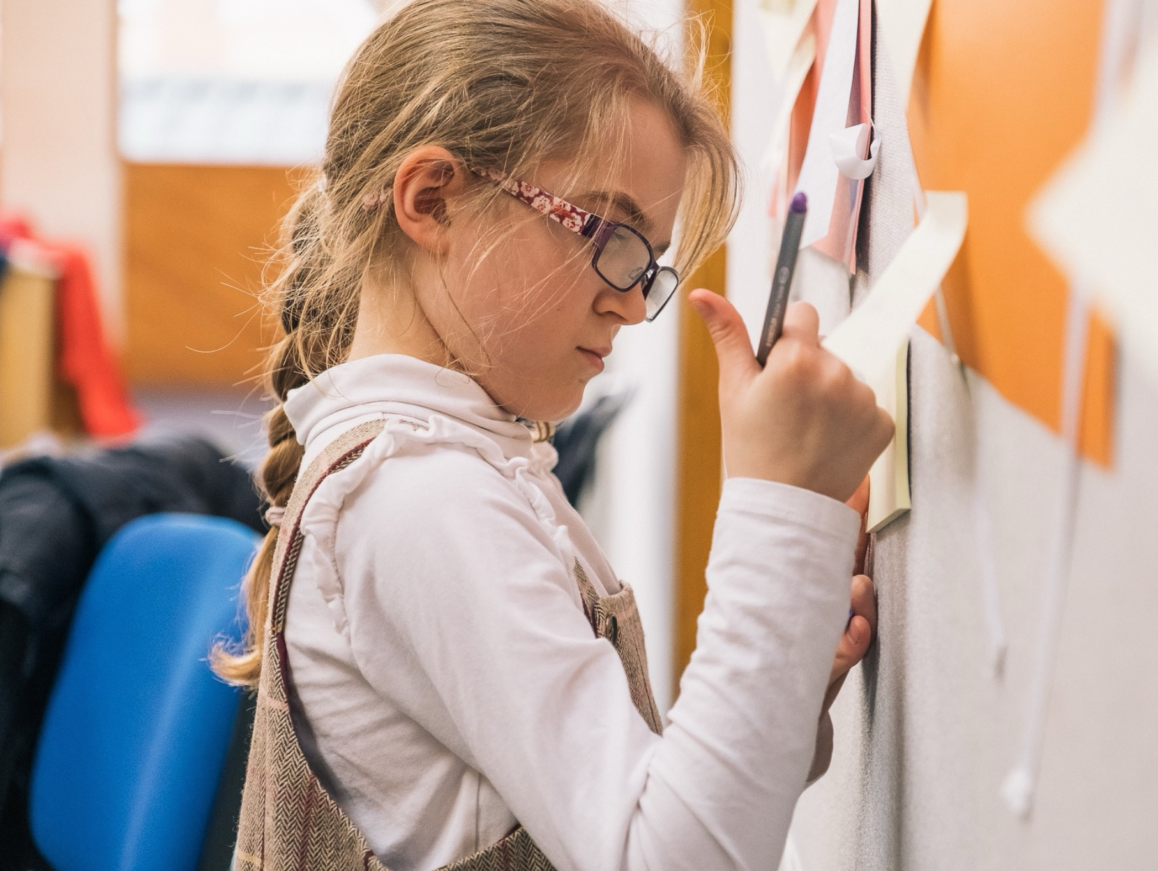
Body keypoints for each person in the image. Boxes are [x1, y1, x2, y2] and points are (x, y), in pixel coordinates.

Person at [213, 1, 895, 869]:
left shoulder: (460, 466)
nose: (631, 303)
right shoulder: (419, 495)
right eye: (608, 237)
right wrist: (779, 502)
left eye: (648, 263)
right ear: (432, 199)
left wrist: (789, 664)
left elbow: (652, 807)